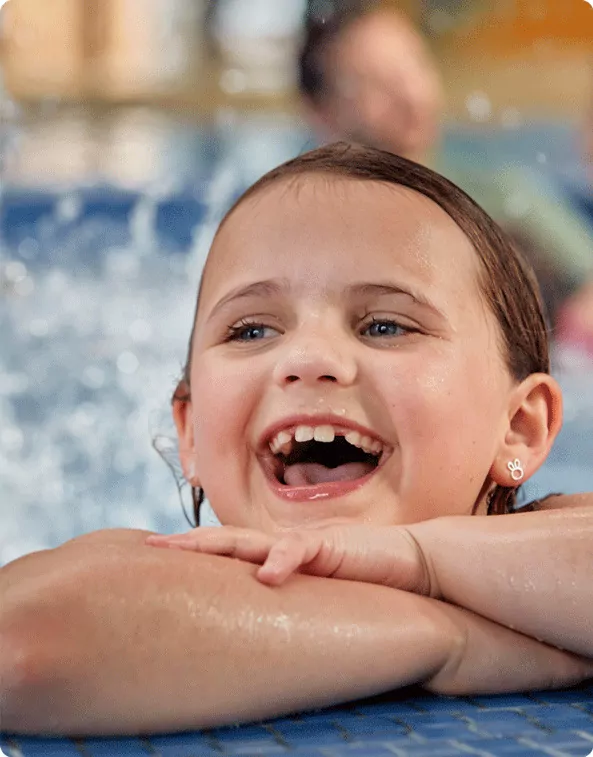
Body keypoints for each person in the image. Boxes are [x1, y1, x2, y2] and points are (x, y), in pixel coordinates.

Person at [2, 143, 593, 737]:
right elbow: (21, 642)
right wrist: (451, 638)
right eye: (251, 329)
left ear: (521, 426)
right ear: (191, 434)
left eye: (385, 325)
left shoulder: (551, 540)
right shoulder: (154, 571)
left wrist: (422, 561)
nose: (307, 359)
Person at [297, 1, 593, 331]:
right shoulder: (306, 228)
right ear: (320, 112)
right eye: (375, 83)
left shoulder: (497, 192)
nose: (409, 94)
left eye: (413, 66)